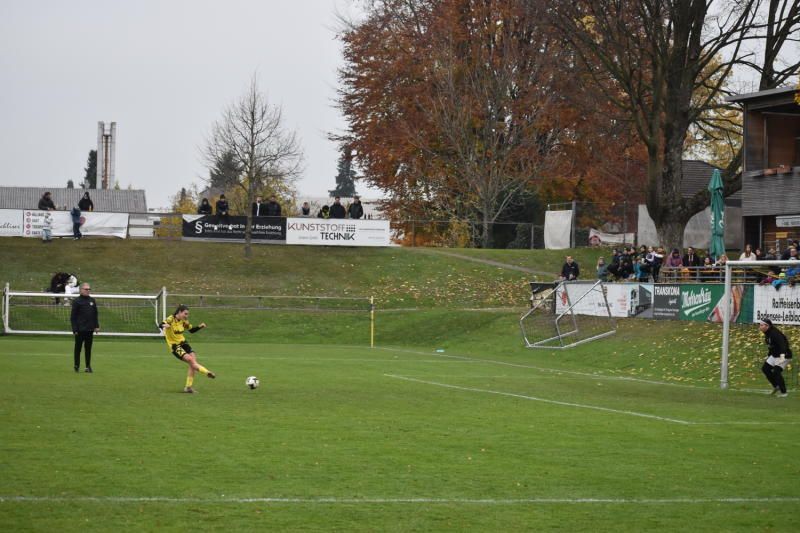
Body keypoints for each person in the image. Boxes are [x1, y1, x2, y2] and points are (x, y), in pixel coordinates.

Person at [160, 305, 215, 393]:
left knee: (193, 360)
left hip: (183, 343)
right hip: (175, 346)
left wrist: (200, 326)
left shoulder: (184, 321)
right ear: (179, 312)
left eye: (187, 314)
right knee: (190, 360)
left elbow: (191, 330)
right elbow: (161, 324)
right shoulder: (171, 319)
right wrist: (164, 325)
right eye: (185, 314)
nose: (186, 316)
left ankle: (188, 387)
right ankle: (207, 372)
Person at [759, 318, 793, 397]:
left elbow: (783, 345)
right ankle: (776, 386)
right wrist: (768, 355)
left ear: (767, 326)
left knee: (776, 372)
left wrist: (782, 357)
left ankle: (784, 393)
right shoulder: (767, 333)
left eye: (761, 325)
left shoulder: (774, 333)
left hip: (784, 355)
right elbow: (772, 346)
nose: (760, 327)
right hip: (775, 355)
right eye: (760, 325)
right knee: (765, 369)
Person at [71, 283, 99, 373]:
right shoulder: (77, 301)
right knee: (78, 349)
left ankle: (88, 366)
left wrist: (96, 326)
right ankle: (76, 365)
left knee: (88, 349)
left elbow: (95, 314)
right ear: (81, 290)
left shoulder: (92, 300)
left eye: (89, 289)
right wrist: (74, 329)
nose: (88, 291)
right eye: (86, 289)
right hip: (80, 330)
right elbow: (73, 317)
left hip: (89, 329)